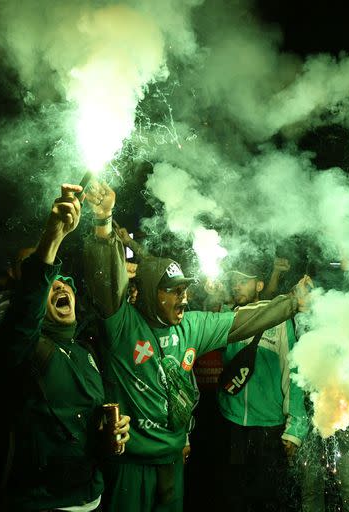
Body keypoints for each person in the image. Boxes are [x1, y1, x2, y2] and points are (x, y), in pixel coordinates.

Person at [82, 180, 312, 512]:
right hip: (131, 465)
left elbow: (246, 320)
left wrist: (291, 302)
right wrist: (103, 221)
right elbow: (105, 281)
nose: (184, 297)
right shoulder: (122, 325)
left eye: (185, 289)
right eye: (173, 291)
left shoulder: (192, 325)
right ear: (150, 294)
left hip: (173, 460)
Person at [0, 183, 131, 511]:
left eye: (65, 283)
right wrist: (54, 235)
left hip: (93, 496)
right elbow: (26, 307)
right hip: (42, 503)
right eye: (50, 283)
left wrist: (113, 429)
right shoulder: (25, 346)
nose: (60, 285)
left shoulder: (87, 350)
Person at [217, 261, 309, 512]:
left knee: (268, 498)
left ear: (259, 285)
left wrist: (295, 428)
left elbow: (293, 372)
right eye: (234, 280)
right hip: (233, 424)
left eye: (244, 280)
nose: (237, 285)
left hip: (268, 429)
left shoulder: (278, 320)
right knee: (235, 496)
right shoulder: (228, 317)